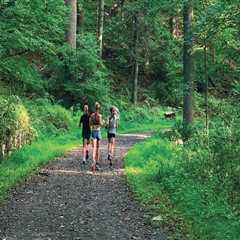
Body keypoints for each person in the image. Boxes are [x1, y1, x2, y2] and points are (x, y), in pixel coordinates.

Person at [89, 102, 103, 172]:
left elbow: (90, 124)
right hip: (98, 132)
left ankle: (93, 163)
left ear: (94, 108)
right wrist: (103, 122)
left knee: (93, 148)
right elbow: (101, 124)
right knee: (98, 148)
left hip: (93, 132)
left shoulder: (92, 115)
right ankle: (97, 164)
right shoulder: (99, 116)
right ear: (99, 108)